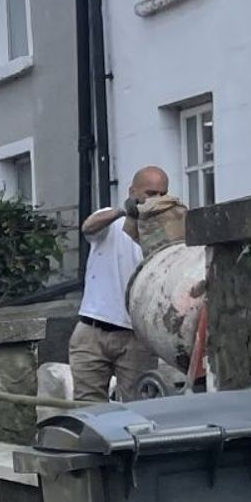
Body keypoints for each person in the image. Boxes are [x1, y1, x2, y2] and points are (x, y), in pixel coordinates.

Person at [70, 166, 170, 403]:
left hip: (137, 334)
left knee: (137, 409)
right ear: (132, 191)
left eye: (162, 194)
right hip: (93, 329)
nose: (155, 199)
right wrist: (123, 210)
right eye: (150, 192)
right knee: (88, 406)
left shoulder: (166, 229)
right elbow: (88, 227)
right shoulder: (111, 221)